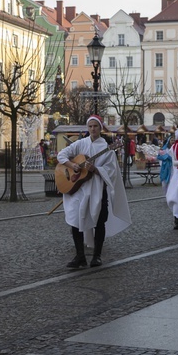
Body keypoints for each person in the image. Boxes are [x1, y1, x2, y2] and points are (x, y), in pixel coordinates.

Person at [57, 115, 131, 268]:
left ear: (101, 128)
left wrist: (96, 169)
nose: (92, 129)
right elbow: (61, 155)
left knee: (99, 221)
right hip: (79, 190)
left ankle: (97, 256)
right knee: (75, 221)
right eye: (90, 126)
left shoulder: (107, 148)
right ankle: (80, 256)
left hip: (97, 189)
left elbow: (111, 171)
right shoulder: (80, 144)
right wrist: (72, 165)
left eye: (95, 126)